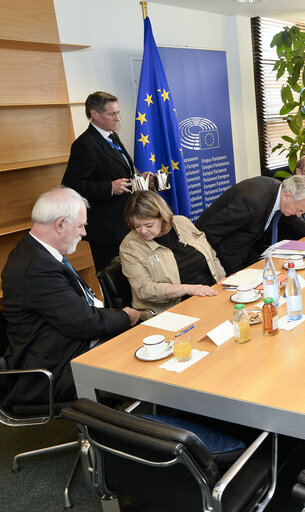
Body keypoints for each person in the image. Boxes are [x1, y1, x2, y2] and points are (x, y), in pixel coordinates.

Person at [1, 187, 139, 406]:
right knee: (143, 367)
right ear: (60, 225)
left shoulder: (38, 253)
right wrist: (126, 317)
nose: (84, 233)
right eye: (81, 225)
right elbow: (86, 323)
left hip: (68, 346)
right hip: (54, 368)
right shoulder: (36, 267)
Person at [62, 91, 151, 271]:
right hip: (106, 229)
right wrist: (108, 188)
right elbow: (71, 185)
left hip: (124, 220)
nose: (118, 118)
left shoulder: (111, 136)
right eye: (112, 114)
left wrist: (137, 179)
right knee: (115, 281)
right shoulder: (84, 145)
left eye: (118, 113)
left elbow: (114, 172)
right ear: (94, 114)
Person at [119, 191, 226, 318]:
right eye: (137, 226)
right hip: (172, 311)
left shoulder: (183, 223)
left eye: (149, 225)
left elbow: (211, 255)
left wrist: (223, 281)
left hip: (210, 295)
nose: (143, 231)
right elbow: (144, 289)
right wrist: (188, 289)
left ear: (163, 217)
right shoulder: (130, 246)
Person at [195, 174, 305, 275]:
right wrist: (218, 272)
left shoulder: (278, 192)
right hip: (220, 259)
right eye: (299, 210)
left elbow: (251, 234)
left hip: (242, 253)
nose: (298, 215)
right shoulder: (253, 202)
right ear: (288, 196)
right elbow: (210, 233)